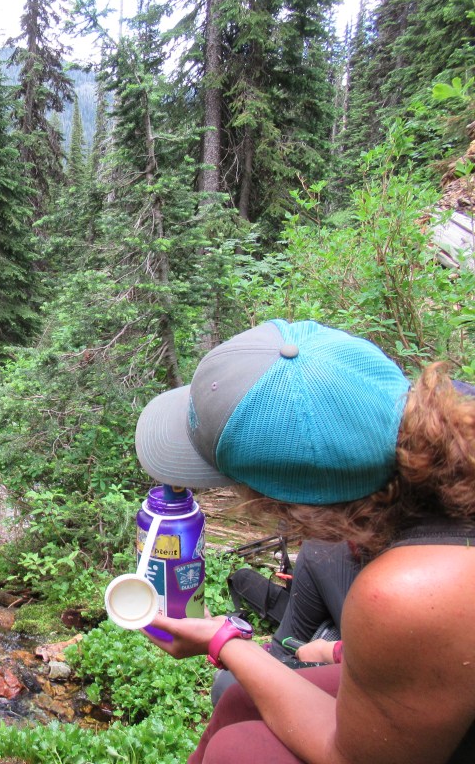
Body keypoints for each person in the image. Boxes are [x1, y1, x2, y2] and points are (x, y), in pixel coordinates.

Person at [133, 319, 475, 763]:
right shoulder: (449, 417)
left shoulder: (408, 592)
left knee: (238, 751)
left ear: (289, 504)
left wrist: (222, 642)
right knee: (239, 701)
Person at [213, 538, 360, 705]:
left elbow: (377, 663)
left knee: (230, 689)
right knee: (317, 547)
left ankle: (280, 661)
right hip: (356, 636)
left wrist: (328, 651)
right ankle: (280, 655)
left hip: (365, 673)